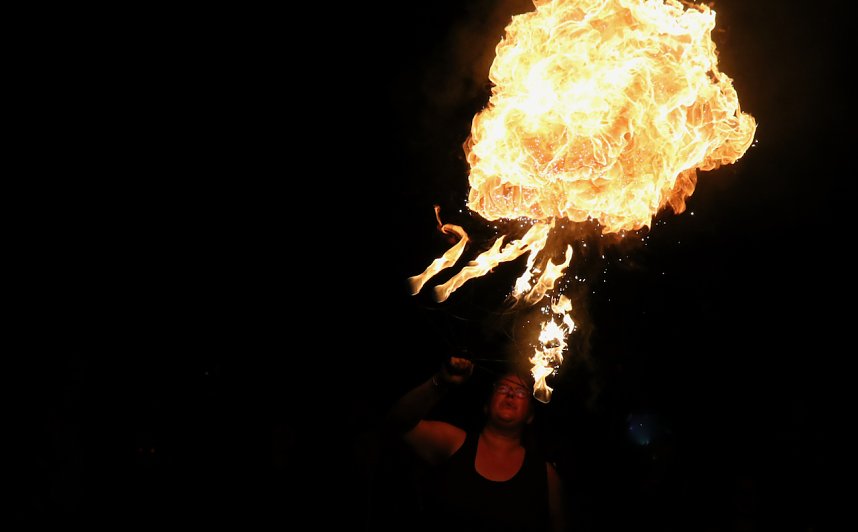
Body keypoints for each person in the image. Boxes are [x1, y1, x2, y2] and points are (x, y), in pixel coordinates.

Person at [386, 356, 567, 532]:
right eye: (503, 388)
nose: (511, 393)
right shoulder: (453, 442)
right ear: (486, 406)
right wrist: (440, 383)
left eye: (521, 392)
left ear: (530, 416)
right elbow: (396, 423)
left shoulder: (546, 474)